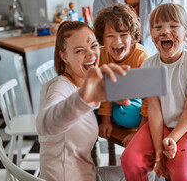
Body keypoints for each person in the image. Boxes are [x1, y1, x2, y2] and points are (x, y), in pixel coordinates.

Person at [120, 3, 187, 181]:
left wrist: (173, 139)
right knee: (130, 161)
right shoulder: (149, 65)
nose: (164, 31)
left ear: (186, 34)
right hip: (160, 126)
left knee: (183, 175)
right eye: (158, 27)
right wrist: (159, 151)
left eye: (173, 26)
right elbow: (153, 110)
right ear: (151, 34)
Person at [36, 21, 130, 181]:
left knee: (140, 169)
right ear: (64, 56)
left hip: (87, 173)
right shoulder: (59, 87)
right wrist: (83, 99)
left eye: (93, 46)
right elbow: (46, 124)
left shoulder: (81, 82)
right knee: (142, 171)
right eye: (80, 50)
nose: (91, 55)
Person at [93, 4, 150, 146]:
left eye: (123, 35)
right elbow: (105, 88)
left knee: (128, 115)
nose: (117, 41)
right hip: (110, 97)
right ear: (102, 38)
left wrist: (140, 132)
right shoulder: (102, 54)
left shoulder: (141, 58)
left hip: (137, 99)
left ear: (132, 36)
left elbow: (149, 100)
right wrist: (105, 120)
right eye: (110, 36)